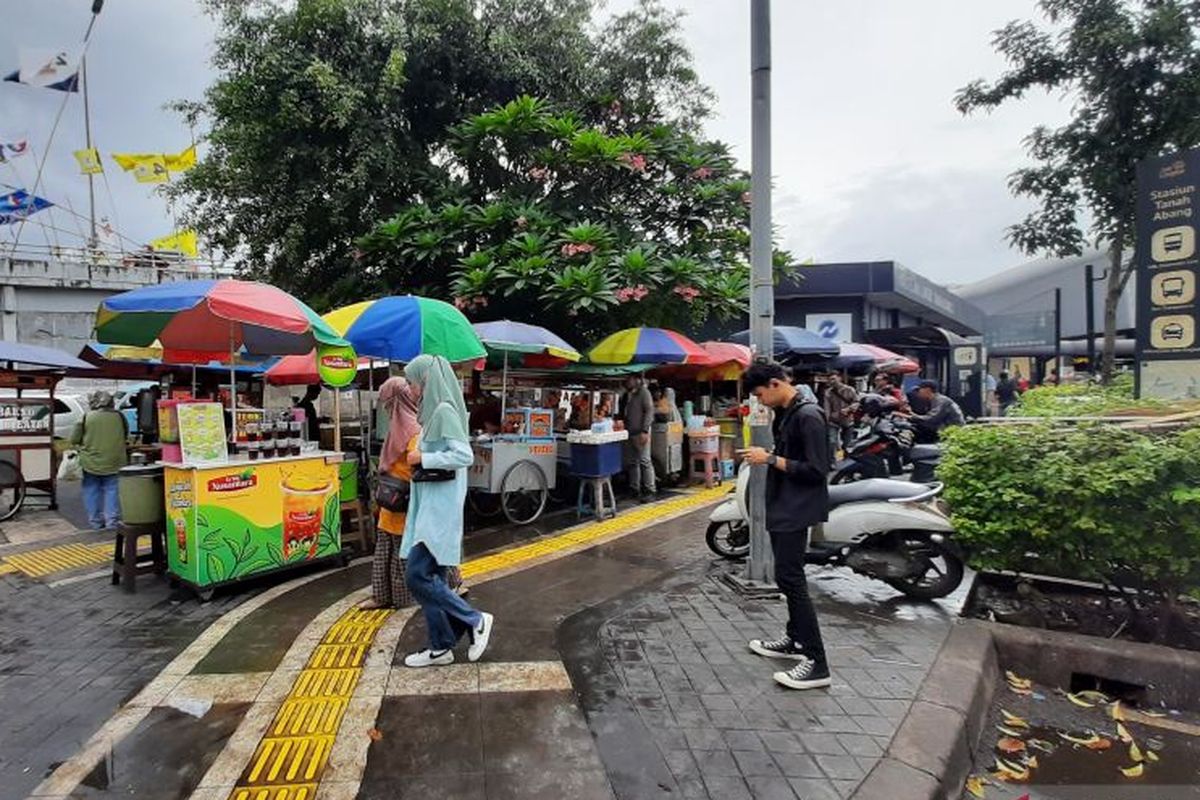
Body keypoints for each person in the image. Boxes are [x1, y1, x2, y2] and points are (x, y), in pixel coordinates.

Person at [738, 361, 832, 691]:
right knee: (785, 576)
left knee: (791, 579)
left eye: (760, 393)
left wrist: (769, 458)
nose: (760, 400)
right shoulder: (790, 411)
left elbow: (818, 469)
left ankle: (817, 662)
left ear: (776, 384)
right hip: (785, 505)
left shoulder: (808, 416)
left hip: (797, 507)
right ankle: (794, 640)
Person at [400, 355, 494, 668]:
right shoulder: (433, 412)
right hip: (431, 505)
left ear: (426, 381)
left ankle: (475, 619)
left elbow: (463, 455)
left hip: (438, 510)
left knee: (416, 575)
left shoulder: (443, 411)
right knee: (432, 577)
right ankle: (441, 647)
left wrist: (420, 459)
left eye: (413, 382)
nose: (411, 389)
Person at [71, 391, 129, 530]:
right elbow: (125, 435)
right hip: (115, 461)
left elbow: (74, 439)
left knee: (91, 490)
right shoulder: (120, 416)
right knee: (112, 490)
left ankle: (95, 522)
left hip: (90, 462)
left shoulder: (86, 417)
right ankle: (112, 522)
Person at [619, 376, 656, 501]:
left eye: (628, 379)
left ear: (635, 379)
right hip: (629, 432)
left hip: (641, 431)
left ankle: (650, 490)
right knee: (632, 462)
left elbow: (649, 411)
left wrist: (645, 430)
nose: (625, 382)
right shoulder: (626, 395)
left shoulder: (644, 392)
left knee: (645, 460)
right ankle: (634, 489)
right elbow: (622, 411)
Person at [821, 372, 858, 465]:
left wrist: (849, 409)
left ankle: (847, 461)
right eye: (830, 380)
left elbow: (857, 402)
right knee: (831, 442)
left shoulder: (850, 390)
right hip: (834, 421)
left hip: (848, 420)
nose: (832, 381)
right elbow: (827, 407)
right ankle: (832, 462)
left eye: (833, 379)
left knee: (847, 444)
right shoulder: (828, 392)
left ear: (839, 378)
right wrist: (827, 419)